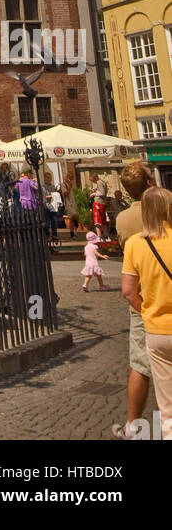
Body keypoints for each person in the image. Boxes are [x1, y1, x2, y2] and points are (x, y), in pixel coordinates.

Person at [120, 187, 172, 441]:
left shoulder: (134, 244)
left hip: (156, 331)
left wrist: (148, 312)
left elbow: (128, 291)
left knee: (167, 406)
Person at [113, 162, 158, 439]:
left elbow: (128, 286)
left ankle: (134, 426)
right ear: (150, 180)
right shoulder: (165, 209)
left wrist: (144, 309)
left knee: (140, 366)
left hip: (142, 298)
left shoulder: (123, 220)